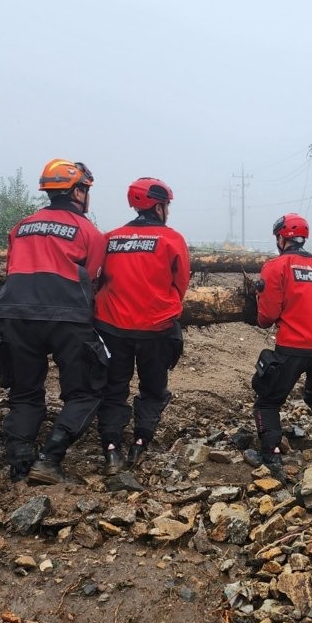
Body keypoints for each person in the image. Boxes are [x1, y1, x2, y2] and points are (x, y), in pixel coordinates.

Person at [0, 159, 107, 485]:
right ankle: (51, 457)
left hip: (14, 315)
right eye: (85, 189)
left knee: (25, 392)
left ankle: (19, 463)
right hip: (68, 317)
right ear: (78, 191)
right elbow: (94, 280)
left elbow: (12, 268)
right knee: (85, 391)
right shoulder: (88, 231)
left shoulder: (21, 226)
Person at [94, 178, 190, 475]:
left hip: (111, 327)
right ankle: (139, 442)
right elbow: (181, 283)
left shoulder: (110, 238)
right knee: (153, 390)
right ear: (158, 206)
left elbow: (98, 278)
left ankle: (111, 450)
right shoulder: (173, 240)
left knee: (113, 390)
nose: (168, 212)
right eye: (167, 207)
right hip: (156, 329)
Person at [251, 213, 312, 481]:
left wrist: (259, 312)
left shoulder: (276, 266)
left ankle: (271, 453)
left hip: (294, 344)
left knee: (267, 401)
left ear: (282, 238)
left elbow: (267, 315)